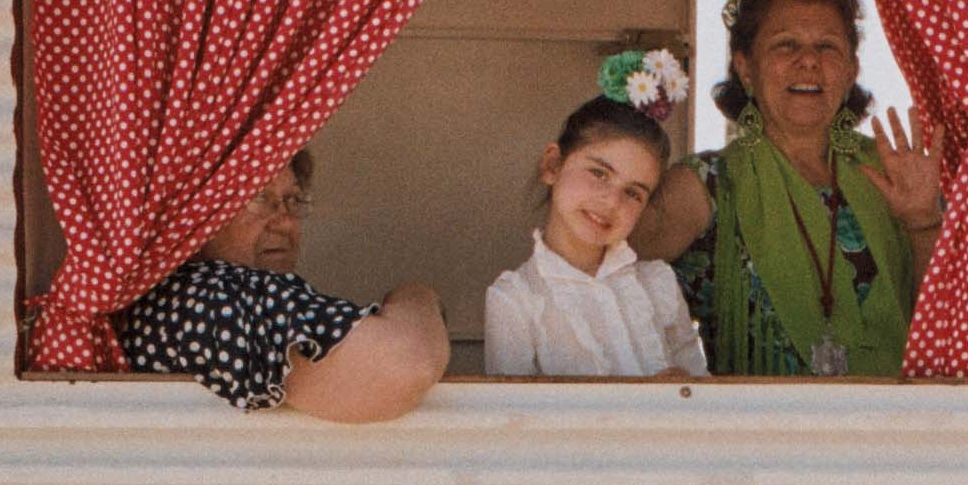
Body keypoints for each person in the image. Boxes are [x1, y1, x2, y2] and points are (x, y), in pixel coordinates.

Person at [649, 0, 943, 376]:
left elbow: (949, 328)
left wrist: (923, 222)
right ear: (745, 68)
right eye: (785, 45)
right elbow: (599, 270)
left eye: (828, 47)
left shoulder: (893, 173)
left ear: (850, 70)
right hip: (763, 442)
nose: (808, 61)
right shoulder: (705, 186)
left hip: (897, 433)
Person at [113, 145, 451, 422]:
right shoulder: (215, 293)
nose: (284, 222)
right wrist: (416, 297)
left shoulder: (171, 295)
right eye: (258, 198)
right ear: (199, 211)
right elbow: (404, 365)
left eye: (292, 200)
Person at [484, 84, 707, 381]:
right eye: (599, 173)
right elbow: (514, 419)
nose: (612, 202)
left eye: (633, 193)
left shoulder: (658, 284)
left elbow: (703, 394)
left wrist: (685, 387)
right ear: (553, 165)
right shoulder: (516, 300)